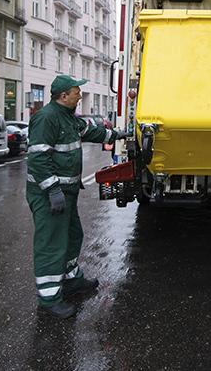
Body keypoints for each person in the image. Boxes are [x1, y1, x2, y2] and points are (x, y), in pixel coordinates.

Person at [26, 75, 129, 319]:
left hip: (66, 194)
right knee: (51, 243)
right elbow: (38, 159)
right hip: (50, 196)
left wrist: (118, 135)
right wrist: (52, 191)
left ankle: (71, 281)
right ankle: (49, 299)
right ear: (63, 96)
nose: (80, 95)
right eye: (76, 92)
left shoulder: (68, 118)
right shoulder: (46, 118)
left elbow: (91, 132)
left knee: (72, 236)